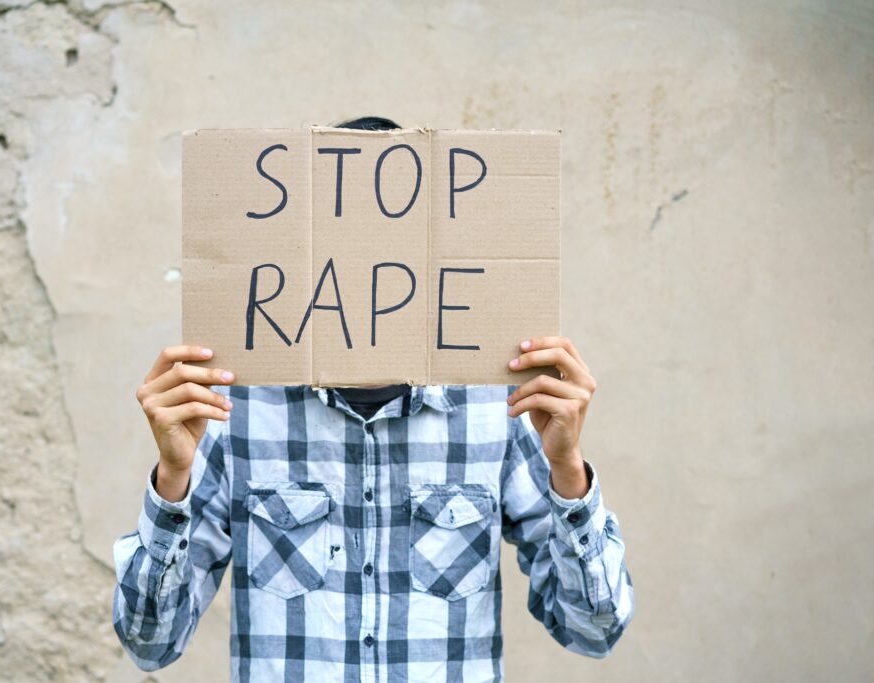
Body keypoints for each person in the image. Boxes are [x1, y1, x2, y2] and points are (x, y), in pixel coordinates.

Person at [112, 117, 634, 681]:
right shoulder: (236, 411)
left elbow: (594, 631)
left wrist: (566, 471)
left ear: (430, 260)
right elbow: (150, 645)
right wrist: (172, 479)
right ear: (307, 254)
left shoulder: (497, 410)